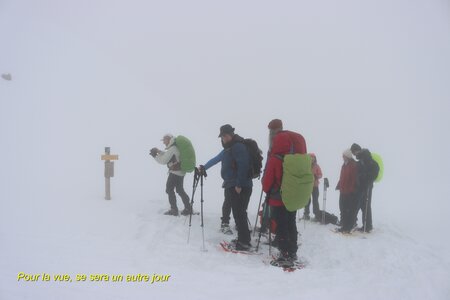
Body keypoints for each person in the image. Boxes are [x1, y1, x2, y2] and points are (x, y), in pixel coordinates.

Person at [263, 130, 307, 265]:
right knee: (291, 224)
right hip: (292, 198)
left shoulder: (275, 159)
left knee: (281, 226)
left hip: (277, 199)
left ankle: (284, 253)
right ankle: (292, 252)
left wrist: (266, 188)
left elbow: (267, 183)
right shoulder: (294, 159)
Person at [212, 124, 253, 250]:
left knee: (239, 213)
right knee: (239, 213)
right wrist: (203, 167)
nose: (223, 139)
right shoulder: (229, 148)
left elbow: (243, 165)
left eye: (225, 136)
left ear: (230, 134)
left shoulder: (237, 146)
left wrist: (239, 184)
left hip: (239, 185)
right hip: (235, 184)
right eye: (222, 137)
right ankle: (243, 239)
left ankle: (244, 242)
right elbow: (216, 159)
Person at [150, 134, 191, 216]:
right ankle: (188, 208)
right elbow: (168, 155)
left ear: (168, 139)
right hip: (181, 172)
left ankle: (174, 210)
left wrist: (154, 155)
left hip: (175, 173)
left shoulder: (172, 148)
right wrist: (159, 151)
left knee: (169, 189)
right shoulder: (175, 147)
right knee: (180, 190)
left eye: (164, 140)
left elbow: (163, 160)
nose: (163, 142)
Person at [198, 150, 234, 235]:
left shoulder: (228, 150)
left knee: (228, 202)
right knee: (240, 203)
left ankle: (225, 223)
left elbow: (215, 160)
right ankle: (240, 224)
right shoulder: (242, 148)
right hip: (245, 182)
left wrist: (204, 167)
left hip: (230, 181)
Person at [350, 143, 380, 232]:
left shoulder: (365, 158)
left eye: (353, 152)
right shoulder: (362, 159)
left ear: (357, 150)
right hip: (362, 186)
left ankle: (367, 226)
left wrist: (366, 178)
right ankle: (367, 225)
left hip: (366, 186)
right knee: (364, 205)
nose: (354, 155)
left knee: (364, 205)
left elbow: (375, 169)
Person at [335, 149, 358, 233]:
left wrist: (351, 189)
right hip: (343, 190)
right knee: (342, 208)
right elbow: (342, 177)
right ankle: (344, 224)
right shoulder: (344, 165)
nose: (342, 157)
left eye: (343, 156)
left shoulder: (353, 165)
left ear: (347, 156)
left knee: (348, 209)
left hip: (349, 192)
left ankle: (348, 226)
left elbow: (353, 179)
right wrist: (339, 185)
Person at [303, 153, 323, 220]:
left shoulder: (317, 166)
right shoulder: (305, 166)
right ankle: (306, 214)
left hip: (315, 186)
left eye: (313, 158)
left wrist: (316, 176)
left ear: (315, 159)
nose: (312, 159)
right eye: (311, 158)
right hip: (307, 186)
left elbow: (320, 174)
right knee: (306, 201)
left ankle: (316, 215)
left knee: (315, 201)